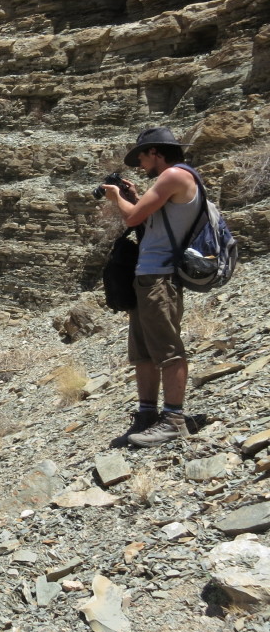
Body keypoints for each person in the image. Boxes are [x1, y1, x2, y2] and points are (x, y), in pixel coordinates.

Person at [103, 127, 201, 447]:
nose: (140, 164)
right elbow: (149, 223)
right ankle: (147, 414)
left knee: (167, 350)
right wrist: (133, 198)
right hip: (147, 276)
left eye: (142, 156)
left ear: (156, 152)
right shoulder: (166, 181)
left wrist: (118, 198)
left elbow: (132, 220)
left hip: (162, 277)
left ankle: (173, 418)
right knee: (143, 351)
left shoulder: (174, 176)